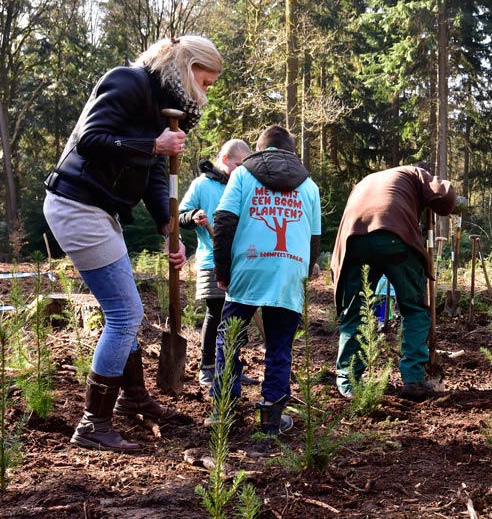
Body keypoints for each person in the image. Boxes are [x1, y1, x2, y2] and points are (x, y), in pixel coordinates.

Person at [42, 36, 222, 451]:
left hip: (100, 210)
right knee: (126, 313)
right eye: (206, 81)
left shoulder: (161, 107)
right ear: (186, 67)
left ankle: (132, 397)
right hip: (75, 204)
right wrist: (152, 144)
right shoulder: (125, 81)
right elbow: (90, 139)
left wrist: (167, 226)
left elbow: (155, 175)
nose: (207, 92)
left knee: (121, 310)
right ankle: (93, 423)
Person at [211, 125, 320, 435]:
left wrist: (223, 271)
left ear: (260, 149)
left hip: (249, 266)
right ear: (290, 151)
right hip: (289, 270)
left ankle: (223, 411)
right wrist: (302, 273)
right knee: (279, 345)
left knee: (230, 338)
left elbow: (224, 222)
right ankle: (271, 417)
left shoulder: (242, 176)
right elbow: (314, 240)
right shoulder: (309, 186)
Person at [331, 163, 456, 401]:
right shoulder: (414, 172)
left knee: (356, 310)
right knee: (413, 308)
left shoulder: (368, 180)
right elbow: (445, 195)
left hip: (353, 239)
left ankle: (348, 380)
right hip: (394, 235)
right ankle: (413, 378)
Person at [179, 139, 263, 387]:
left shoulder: (243, 185)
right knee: (216, 313)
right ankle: (207, 368)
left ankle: (231, 369)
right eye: (239, 164)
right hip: (211, 259)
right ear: (225, 159)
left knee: (238, 318)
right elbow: (179, 214)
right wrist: (194, 216)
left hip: (240, 261)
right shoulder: (201, 185)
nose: (242, 169)